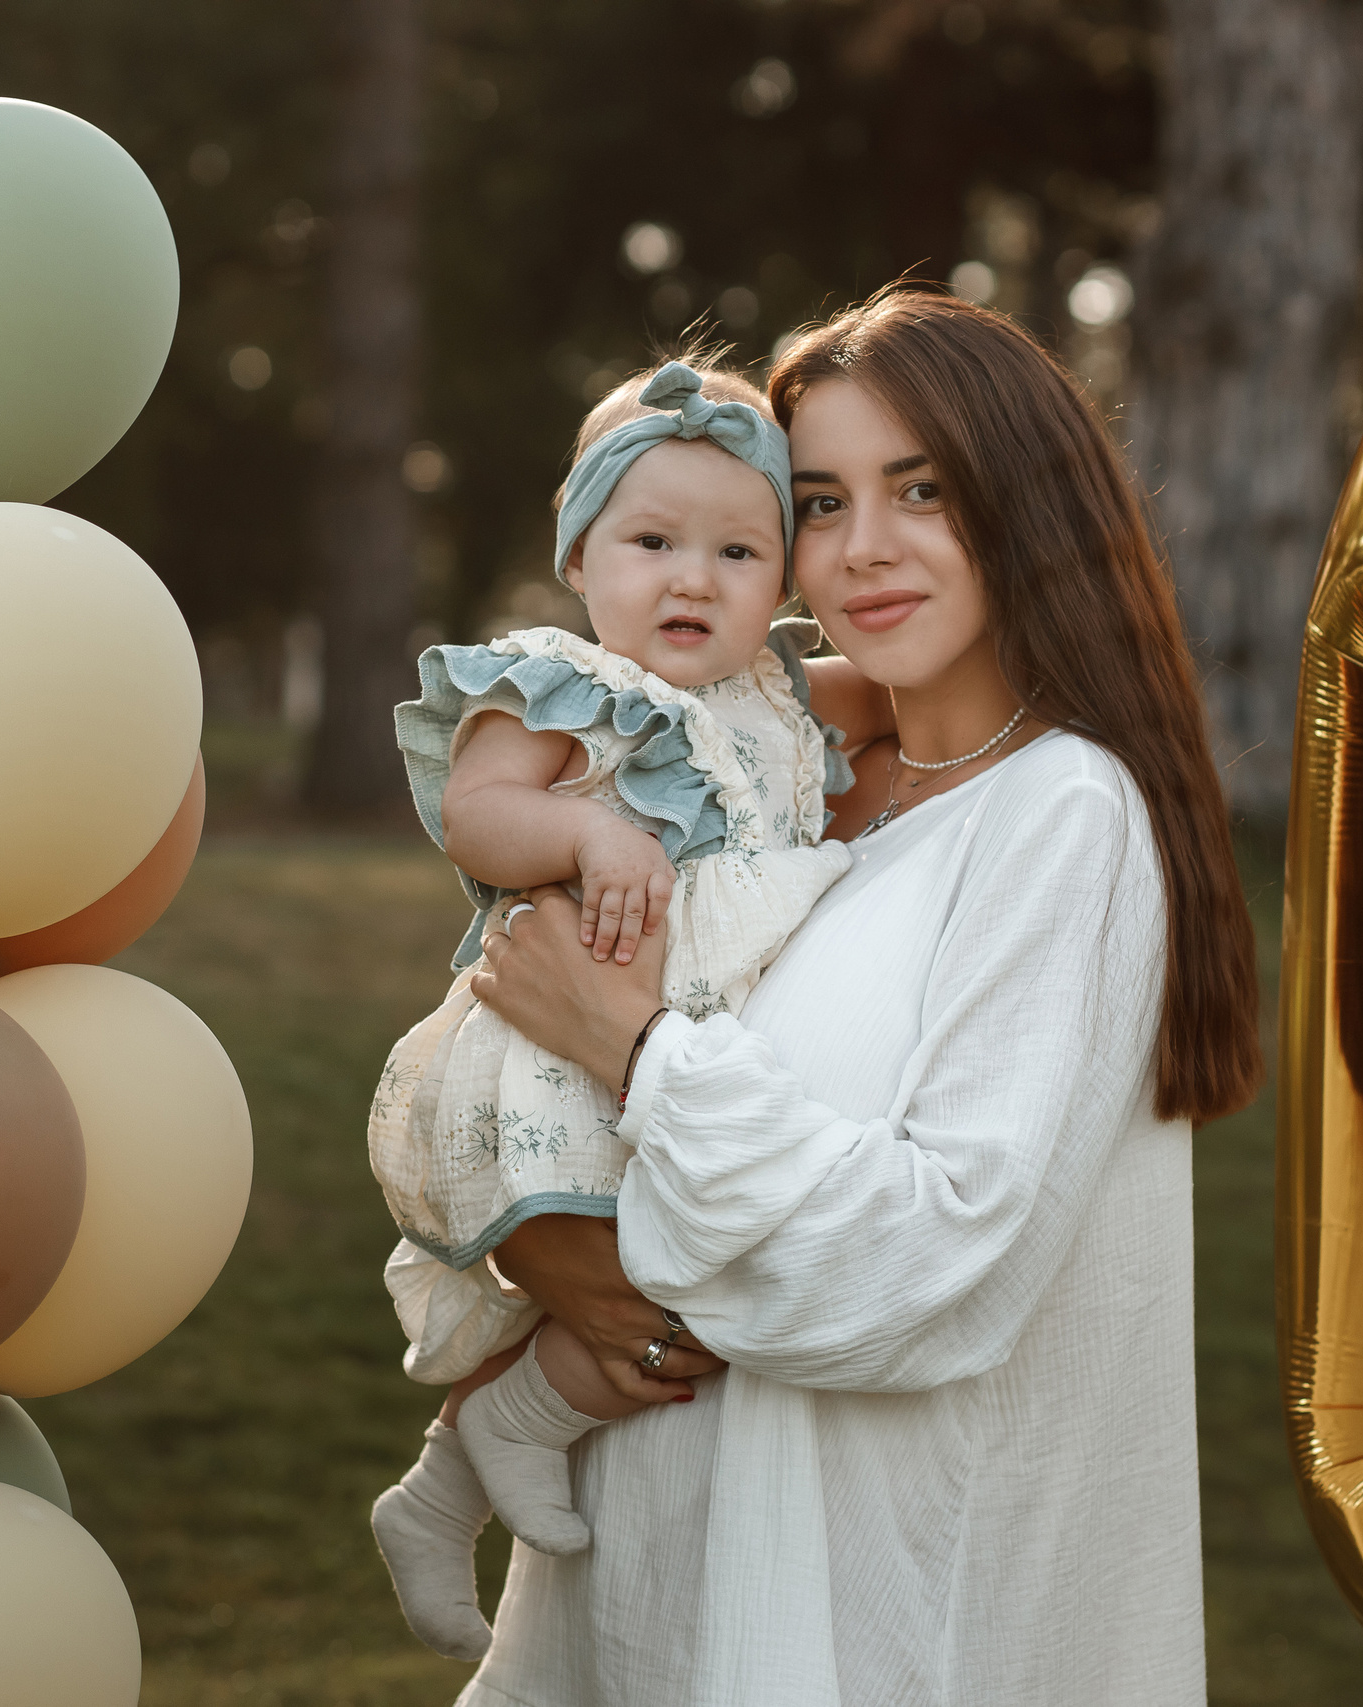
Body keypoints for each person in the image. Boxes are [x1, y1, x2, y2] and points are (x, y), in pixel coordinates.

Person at [455, 286, 1265, 1705]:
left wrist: (634, 1049)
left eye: (924, 491)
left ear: (1031, 503)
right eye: (819, 504)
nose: (864, 549)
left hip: (859, 1613)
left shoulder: (1061, 812)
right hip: (643, 1579)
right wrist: (550, 1255)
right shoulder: (785, 786)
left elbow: (928, 1265)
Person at [365, 355, 889, 1660]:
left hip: (690, 1056)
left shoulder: (781, 697)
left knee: (657, 1329)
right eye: (652, 541)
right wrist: (583, 840)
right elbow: (478, 816)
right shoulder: (568, 688)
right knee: (622, 1285)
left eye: (739, 548)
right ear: (582, 551)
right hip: (560, 1050)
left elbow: (921, 697)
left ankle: (462, 1469)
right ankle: (466, 1464)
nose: (694, 578)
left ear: (783, 576)